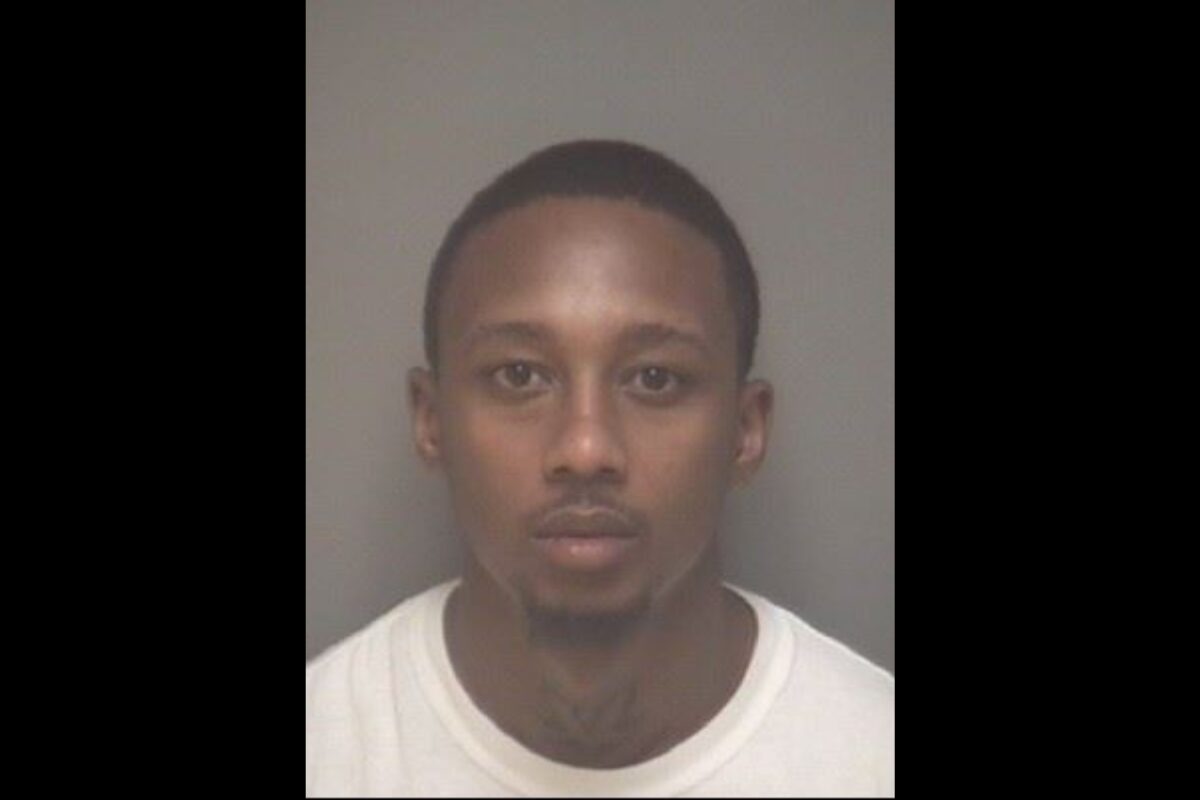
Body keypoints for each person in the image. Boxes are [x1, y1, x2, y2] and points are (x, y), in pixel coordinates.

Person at [305, 140, 894, 797]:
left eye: (655, 378)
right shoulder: (323, 754)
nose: (585, 449)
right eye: (519, 375)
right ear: (429, 420)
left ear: (746, 431)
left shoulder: (874, 758)